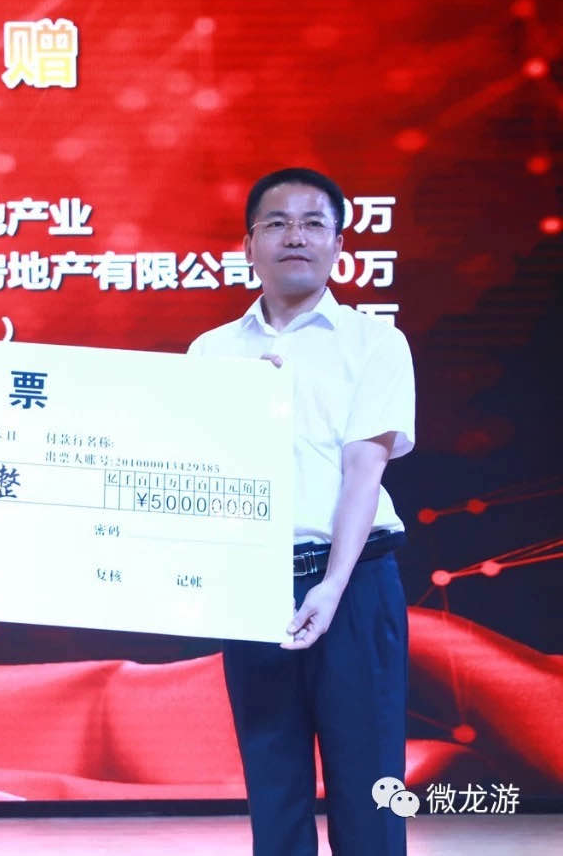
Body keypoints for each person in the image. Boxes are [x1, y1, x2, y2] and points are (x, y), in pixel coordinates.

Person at [188, 168, 415, 855]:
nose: (296, 236)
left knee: (369, 782)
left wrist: (331, 586)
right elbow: (198, 475)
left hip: (355, 581)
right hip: (254, 584)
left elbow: (363, 470)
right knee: (274, 780)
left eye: (314, 223)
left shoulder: (374, 342)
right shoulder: (212, 352)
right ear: (249, 244)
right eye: (277, 223)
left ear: (338, 245)